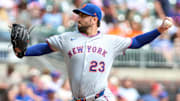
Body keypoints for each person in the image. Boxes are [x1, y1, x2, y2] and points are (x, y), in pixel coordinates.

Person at [14, 3, 173, 101]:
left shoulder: (110, 41)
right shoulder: (67, 38)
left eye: (83, 16)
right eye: (79, 15)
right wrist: (24, 52)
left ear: (94, 19)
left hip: (100, 97)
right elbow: (44, 48)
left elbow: (137, 42)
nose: (79, 18)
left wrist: (158, 30)